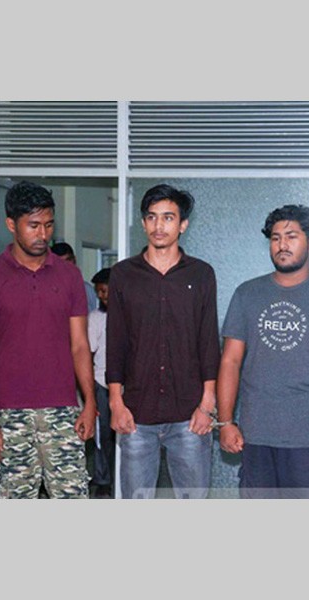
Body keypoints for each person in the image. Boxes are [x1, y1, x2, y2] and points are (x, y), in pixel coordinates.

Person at [217, 204, 309, 499]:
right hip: (256, 435)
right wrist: (226, 422)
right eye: (276, 238)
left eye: (291, 236)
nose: (282, 245)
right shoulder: (247, 293)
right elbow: (230, 361)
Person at [0, 180, 97, 499]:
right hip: (8, 414)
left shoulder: (69, 276)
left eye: (49, 225)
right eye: (34, 225)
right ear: (11, 224)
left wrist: (90, 402)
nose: (43, 234)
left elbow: (80, 345)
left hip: (63, 411)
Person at [106, 184, 220, 499]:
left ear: (183, 225)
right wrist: (116, 403)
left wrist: (207, 404)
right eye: (152, 217)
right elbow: (116, 342)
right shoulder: (123, 274)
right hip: (136, 413)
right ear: (143, 223)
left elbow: (208, 341)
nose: (159, 225)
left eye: (168, 217)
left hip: (190, 414)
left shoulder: (201, 274)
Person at [87, 267, 115, 498]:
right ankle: (103, 480)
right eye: (99, 292)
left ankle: (120, 479)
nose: (102, 296)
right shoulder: (95, 318)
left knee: (126, 437)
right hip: (101, 383)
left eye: (105, 291)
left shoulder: (131, 314)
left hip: (127, 386)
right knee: (103, 435)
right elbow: (87, 354)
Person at [52, 241, 97, 313]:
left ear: (74, 259)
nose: (65, 265)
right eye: (60, 262)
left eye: (68, 260)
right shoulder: (46, 290)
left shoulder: (87, 289)